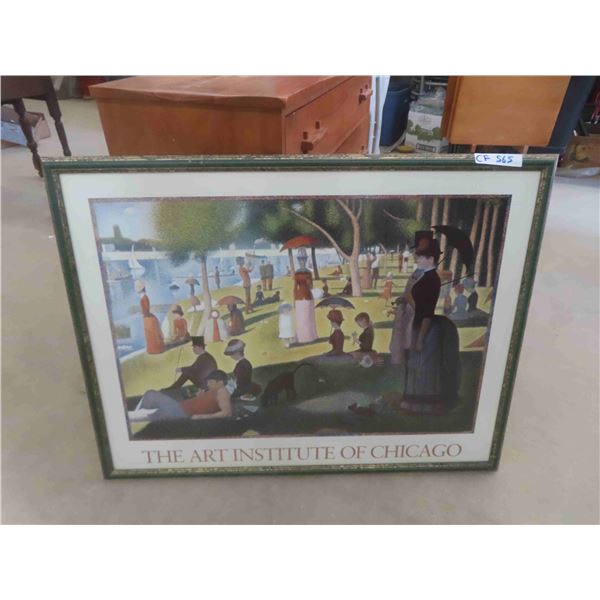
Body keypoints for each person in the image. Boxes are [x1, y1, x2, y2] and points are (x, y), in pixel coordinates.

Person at [389, 231, 460, 415]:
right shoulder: (420, 274)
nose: (417, 259)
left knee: (424, 367)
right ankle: (411, 401)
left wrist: (420, 338)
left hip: (424, 328)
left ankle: (425, 405)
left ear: (430, 259)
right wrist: (405, 299)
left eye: (420, 256)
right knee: (413, 365)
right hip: (414, 324)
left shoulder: (431, 279)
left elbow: (426, 311)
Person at [139, 370, 232, 421]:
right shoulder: (214, 391)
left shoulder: (222, 392)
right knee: (152, 409)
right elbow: (205, 404)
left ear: (220, 382)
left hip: (182, 412)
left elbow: (226, 413)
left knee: (151, 395)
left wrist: (201, 417)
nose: (208, 385)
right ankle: (140, 415)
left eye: (210, 382)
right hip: (180, 408)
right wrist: (200, 396)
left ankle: (139, 415)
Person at [293, 247, 318, 343]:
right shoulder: (297, 273)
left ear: (306, 260)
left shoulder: (309, 272)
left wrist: (309, 282)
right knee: (301, 318)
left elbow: (311, 286)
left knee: (308, 317)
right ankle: (301, 337)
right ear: (298, 261)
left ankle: (309, 336)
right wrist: (294, 299)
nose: (302, 262)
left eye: (304, 260)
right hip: (299, 297)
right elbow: (295, 287)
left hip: (308, 296)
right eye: (300, 260)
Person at [136, 280, 165, 354]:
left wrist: (144, 313)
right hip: (147, 316)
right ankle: (154, 348)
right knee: (150, 334)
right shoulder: (143, 297)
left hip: (147, 317)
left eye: (138, 288)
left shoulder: (144, 297)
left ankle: (155, 349)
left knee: (151, 333)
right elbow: (145, 308)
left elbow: (146, 308)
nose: (136, 289)